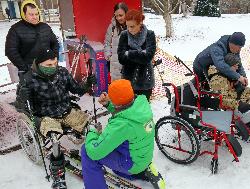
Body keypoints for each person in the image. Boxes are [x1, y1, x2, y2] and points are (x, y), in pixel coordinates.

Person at [19, 48, 96, 189]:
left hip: (65, 111)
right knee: (54, 138)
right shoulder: (29, 79)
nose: (53, 67)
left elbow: (76, 89)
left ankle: (92, 160)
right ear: (39, 64)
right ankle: (58, 175)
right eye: (49, 65)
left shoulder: (62, 72)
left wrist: (86, 84)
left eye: (55, 63)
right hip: (45, 116)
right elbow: (22, 106)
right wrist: (22, 97)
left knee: (88, 124)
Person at [81, 79, 165, 189]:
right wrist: (108, 104)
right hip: (143, 156)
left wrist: (93, 132)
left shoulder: (121, 125)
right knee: (117, 166)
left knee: (87, 151)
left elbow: (95, 152)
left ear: (117, 101)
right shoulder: (141, 104)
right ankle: (142, 171)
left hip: (132, 163)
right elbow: (125, 111)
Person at [5, 0, 59, 108]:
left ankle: (52, 111)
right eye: (31, 14)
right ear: (24, 14)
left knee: (51, 92)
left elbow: (55, 43)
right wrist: (24, 67)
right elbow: (11, 51)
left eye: (36, 14)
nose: (35, 17)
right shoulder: (15, 29)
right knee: (30, 98)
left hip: (47, 67)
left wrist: (53, 58)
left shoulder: (45, 27)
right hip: (28, 69)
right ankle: (26, 110)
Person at [117, 9, 156, 101]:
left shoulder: (149, 35)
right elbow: (121, 58)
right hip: (128, 80)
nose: (129, 29)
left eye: (132, 26)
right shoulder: (124, 35)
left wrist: (129, 53)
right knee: (128, 109)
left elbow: (148, 57)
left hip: (145, 81)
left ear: (140, 23)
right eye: (127, 26)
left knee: (142, 111)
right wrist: (141, 53)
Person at [104, 2, 128, 81]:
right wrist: (108, 55)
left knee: (130, 92)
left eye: (121, 15)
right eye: (116, 15)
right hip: (115, 69)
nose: (118, 18)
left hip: (130, 69)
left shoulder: (133, 26)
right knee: (117, 91)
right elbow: (107, 42)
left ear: (126, 13)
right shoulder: (112, 27)